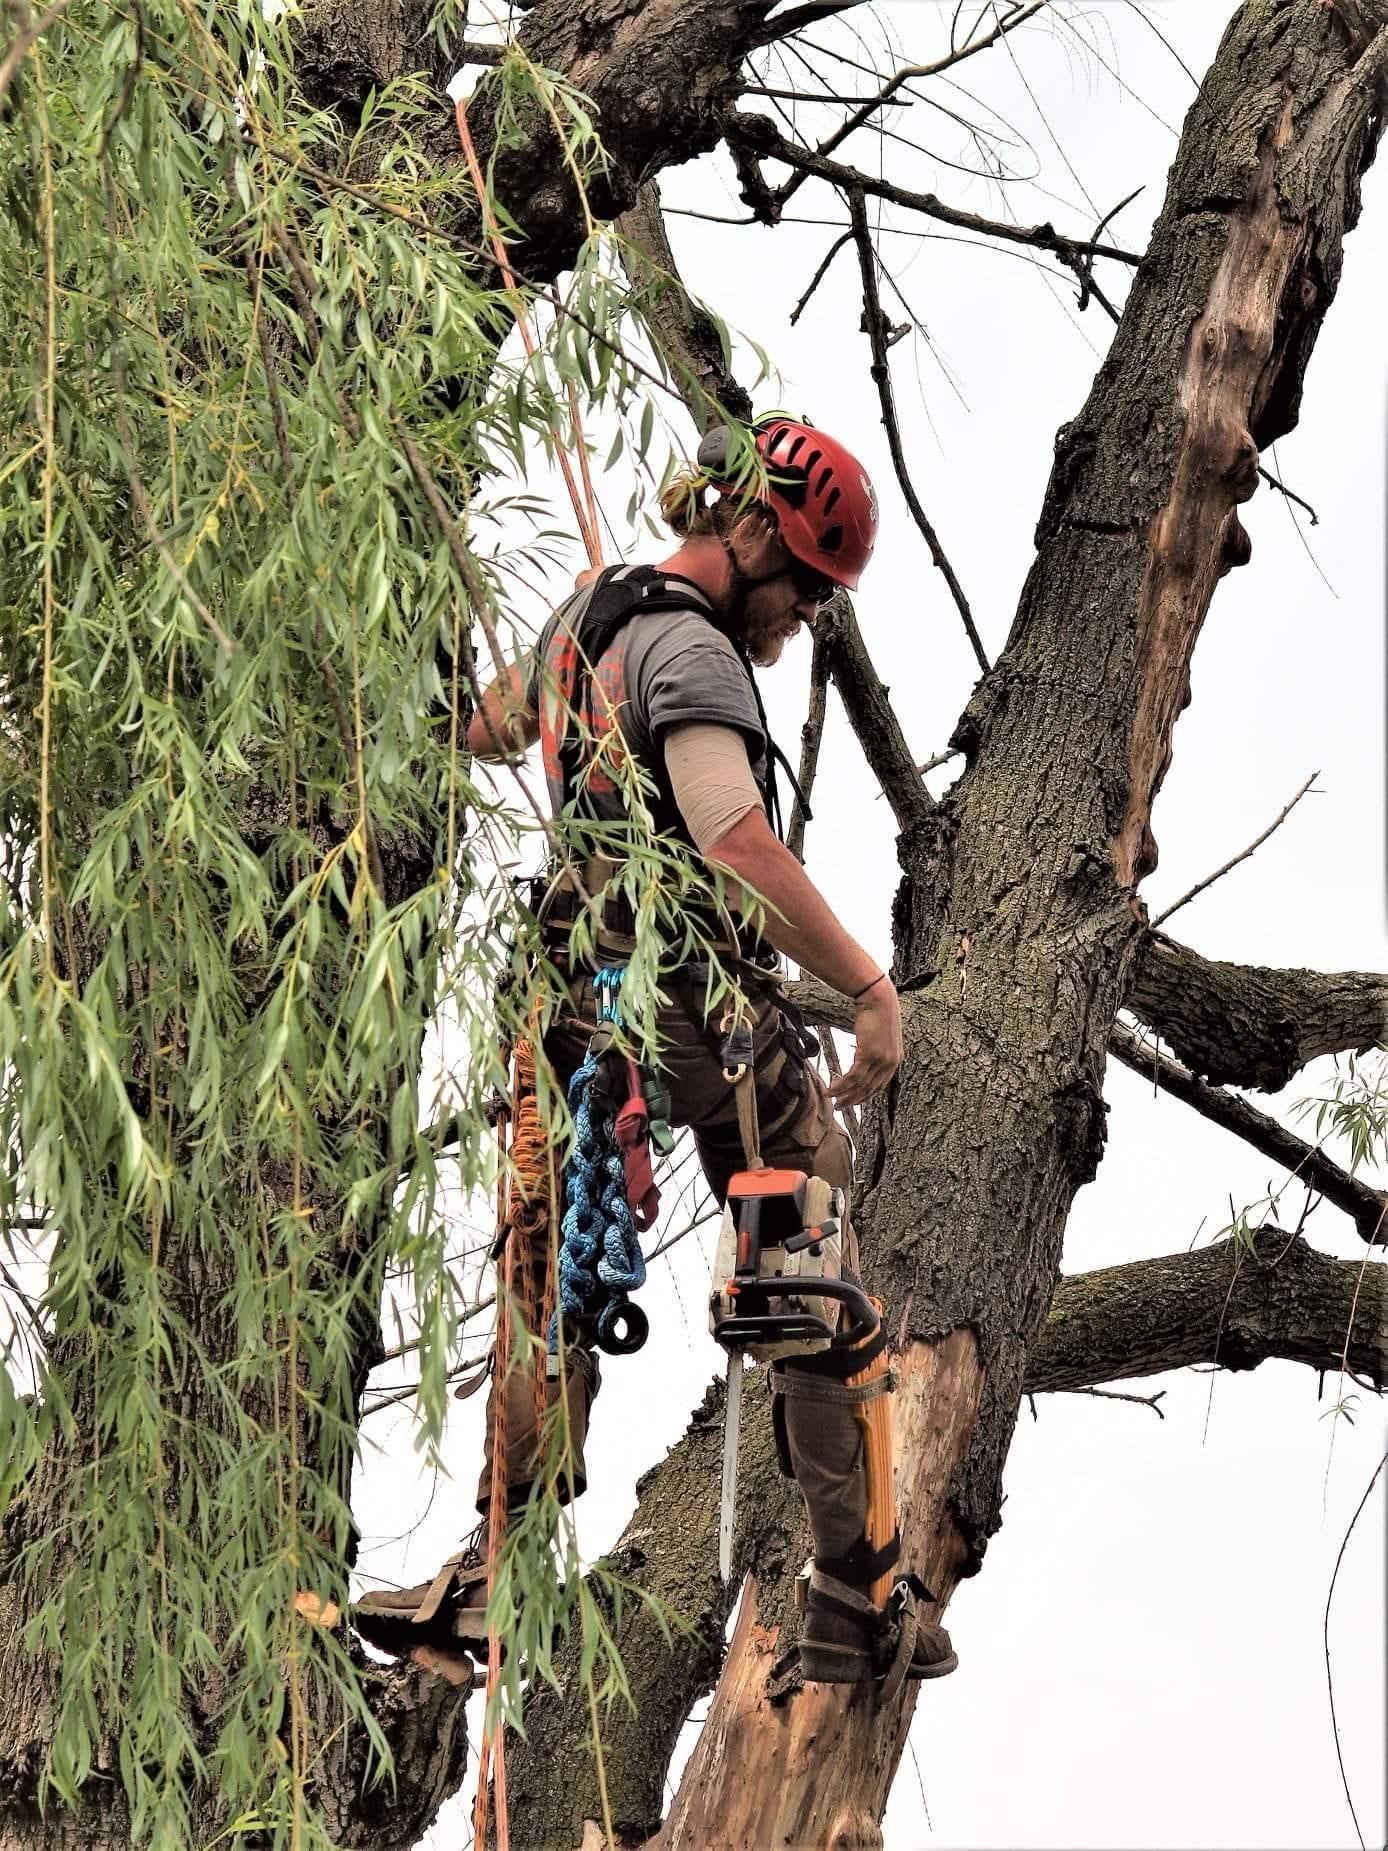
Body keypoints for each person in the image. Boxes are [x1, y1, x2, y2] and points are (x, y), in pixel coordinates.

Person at [353, 416, 956, 1690]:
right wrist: (867, 986)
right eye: (796, 585)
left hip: (575, 1002)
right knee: (811, 1258)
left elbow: (493, 728)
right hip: (692, 1011)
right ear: (745, 534)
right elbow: (733, 842)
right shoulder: (692, 649)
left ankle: (489, 1579)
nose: (794, 621)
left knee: (549, 1264)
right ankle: (857, 1592)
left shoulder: (590, 617)